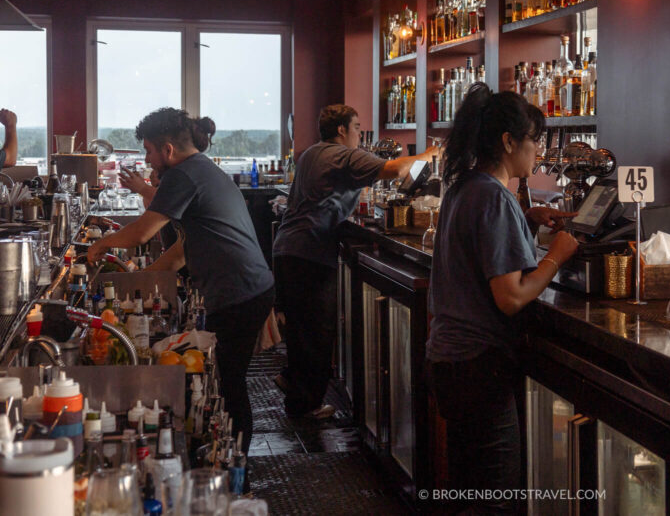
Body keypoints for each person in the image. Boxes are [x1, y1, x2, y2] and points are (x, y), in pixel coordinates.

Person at [87, 108, 274, 459]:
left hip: (238, 292)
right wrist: (138, 282)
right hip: (250, 288)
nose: (147, 159)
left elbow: (143, 231)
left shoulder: (182, 176)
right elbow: (180, 251)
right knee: (225, 381)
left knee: (229, 386)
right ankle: (231, 463)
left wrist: (101, 244)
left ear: (168, 150)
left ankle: (237, 476)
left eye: (149, 151)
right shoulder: (201, 169)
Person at [425, 84, 578, 513]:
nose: (539, 152)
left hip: (449, 360)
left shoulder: (466, 187)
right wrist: (557, 255)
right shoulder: (493, 197)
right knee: (495, 495)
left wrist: (526, 222)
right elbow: (511, 297)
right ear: (509, 142)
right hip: (478, 367)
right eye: (535, 141)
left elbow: (482, 257)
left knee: (468, 487)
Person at [273, 104, 437, 418]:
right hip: (309, 251)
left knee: (300, 327)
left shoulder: (311, 153)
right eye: (357, 127)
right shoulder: (342, 155)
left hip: (288, 249)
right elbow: (395, 169)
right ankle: (305, 406)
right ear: (341, 131)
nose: (359, 134)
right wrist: (429, 153)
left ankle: (292, 380)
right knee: (317, 330)